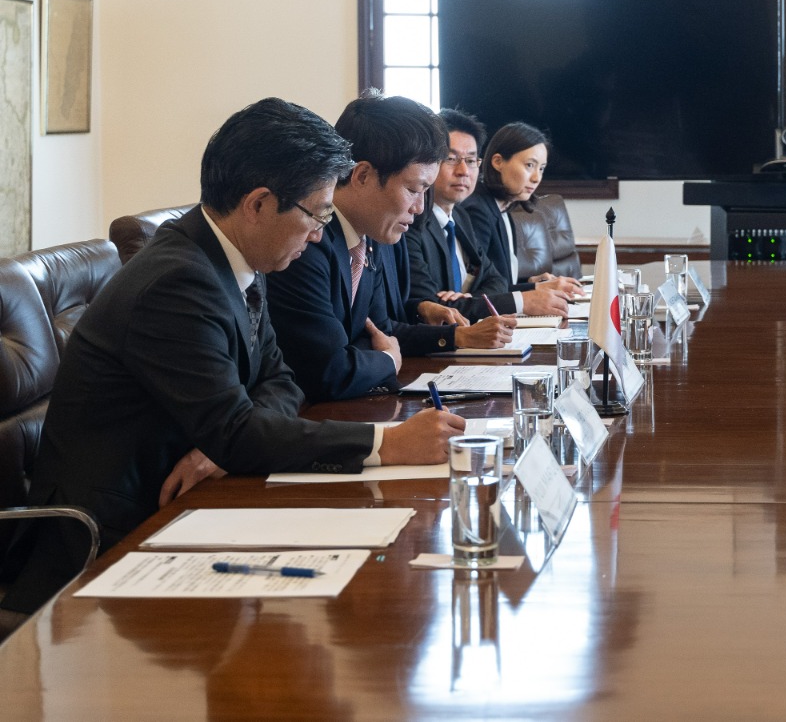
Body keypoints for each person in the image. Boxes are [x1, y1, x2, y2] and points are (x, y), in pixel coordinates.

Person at [0, 99, 464, 618]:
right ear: (260, 204)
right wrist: (391, 442)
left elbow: (282, 380)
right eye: (316, 214)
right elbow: (239, 427)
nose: (318, 236)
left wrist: (226, 441)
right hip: (109, 544)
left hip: (181, 506)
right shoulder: (178, 281)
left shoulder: (235, 257)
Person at [268, 93, 515, 403]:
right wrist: (387, 360)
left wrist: (445, 333)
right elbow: (329, 371)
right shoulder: (306, 243)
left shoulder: (370, 237)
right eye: (413, 189)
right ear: (362, 175)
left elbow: (380, 330)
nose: (420, 207)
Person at [405, 108, 580, 321]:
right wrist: (521, 300)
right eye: (451, 159)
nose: (463, 171)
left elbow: (496, 280)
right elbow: (433, 308)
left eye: (470, 161)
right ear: (428, 162)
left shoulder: (460, 217)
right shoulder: (412, 223)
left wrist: (471, 301)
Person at [458, 121, 574, 289]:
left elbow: (500, 284)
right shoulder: (478, 210)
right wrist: (535, 290)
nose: (536, 178)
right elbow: (478, 292)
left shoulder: (503, 207)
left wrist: (529, 284)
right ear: (498, 162)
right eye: (529, 165)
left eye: (541, 168)